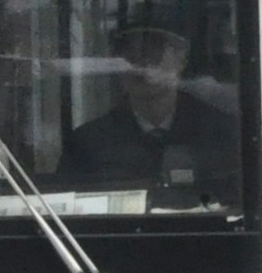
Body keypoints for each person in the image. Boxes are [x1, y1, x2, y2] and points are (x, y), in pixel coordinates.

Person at [61, 21, 241, 209]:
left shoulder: (222, 134)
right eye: (128, 54)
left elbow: (238, 207)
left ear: (181, 59)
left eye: (153, 50)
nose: (141, 64)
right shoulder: (87, 143)